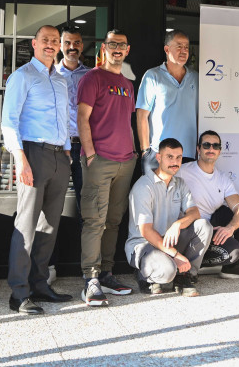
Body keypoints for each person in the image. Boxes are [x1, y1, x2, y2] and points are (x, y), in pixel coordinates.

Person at [1, 25, 73, 314]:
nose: (50, 44)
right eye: (45, 40)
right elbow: (9, 121)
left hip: (58, 157)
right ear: (34, 43)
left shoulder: (61, 80)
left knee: (49, 227)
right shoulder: (22, 76)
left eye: (55, 40)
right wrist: (20, 159)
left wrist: (66, 150)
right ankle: (19, 294)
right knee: (26, 226)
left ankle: (40, 285)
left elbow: (64, 117)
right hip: (32, 153)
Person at [77, 29, 138, 306]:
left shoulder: (127, 84)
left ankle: (106, 274)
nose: (117, 49)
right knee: (94, 221)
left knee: (113, 221)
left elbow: (126, 122)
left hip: (125, 162)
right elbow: (82, 118)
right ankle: (90, 279)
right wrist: (91, 155)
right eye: (112, 44)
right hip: (100, 160)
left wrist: (133, 152)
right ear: (104, 48)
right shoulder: (93, 78)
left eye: (121, 45)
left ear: (127, 50)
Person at [125, 138, 213, 296]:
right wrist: (176, 255)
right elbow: (146, 231)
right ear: (159, 158)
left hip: (168, 241)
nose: (175, 162)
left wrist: (177, 225)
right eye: (170, 157)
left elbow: (194, 212)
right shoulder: (143, 186)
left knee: (204, 226)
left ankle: (184, 275)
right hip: (144, 245)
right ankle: (144, 274)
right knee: (167, 271)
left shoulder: (180, 183)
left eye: (178, 157)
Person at [178, 130, 239, 280]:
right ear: (198, 149)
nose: (211, 149)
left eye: (215, 146)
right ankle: (188, 262)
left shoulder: (222, 178)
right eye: (206, 145)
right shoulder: (182, 170)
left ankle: (232, 267)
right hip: (189, 231)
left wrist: (230, 228)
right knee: (231, 249)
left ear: (219, 151)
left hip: (211, 229)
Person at [136, 29, 198, 176]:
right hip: (159, 154)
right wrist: (146, 151)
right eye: (179, 46)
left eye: (186, 47)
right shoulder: (152, 76)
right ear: (166, 49)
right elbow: (141, 115)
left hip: (188, 154)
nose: (184, 51)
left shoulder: (196, 78)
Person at [55, 26, 90, 218]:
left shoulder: (91, 75)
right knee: (53, 198)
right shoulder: (51, 75)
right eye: (67, 43)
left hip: (84, 146)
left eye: (76, 43)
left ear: (82, 46)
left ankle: (85, 237)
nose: (72, 47)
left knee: (85, 200)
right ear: (61, 46)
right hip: (58, 146)